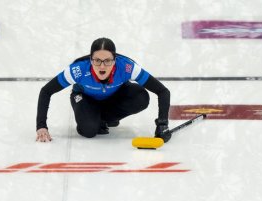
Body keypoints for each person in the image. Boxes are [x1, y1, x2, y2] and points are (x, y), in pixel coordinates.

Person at [35, 37, 171, 141]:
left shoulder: (126, 67)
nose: (102, 66)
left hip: (113, 97)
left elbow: (163, 91)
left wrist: (162, 124)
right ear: (90, 59)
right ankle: (95, 119)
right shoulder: (78, 70)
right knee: (88, 131)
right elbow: (46, 91)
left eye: (107, 61)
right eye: (97, 60)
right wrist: (41, 126)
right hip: (85, 98)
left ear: (115, 60)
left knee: (141, 97)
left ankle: (103, 118)